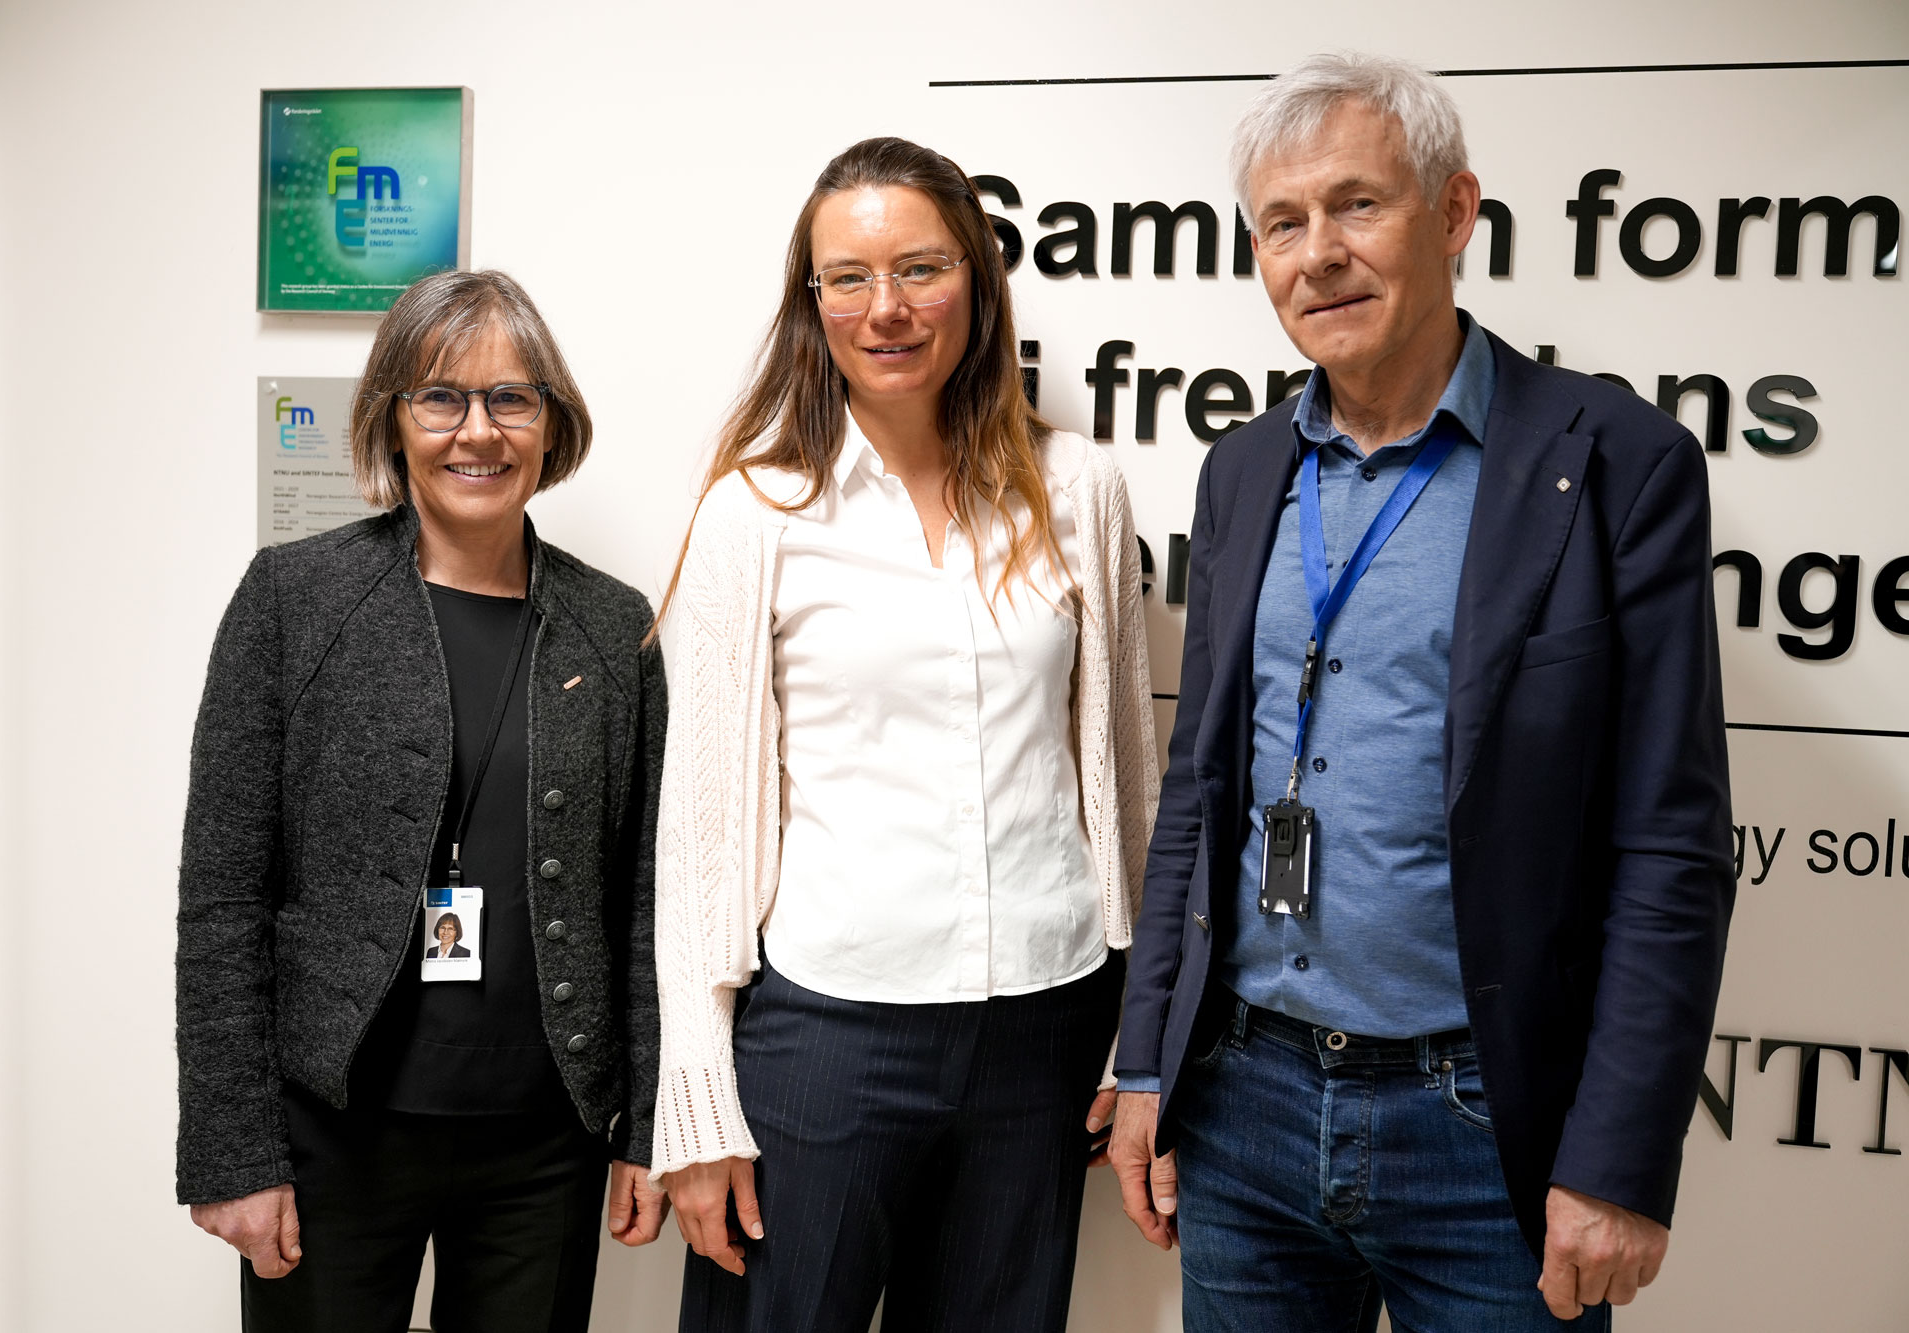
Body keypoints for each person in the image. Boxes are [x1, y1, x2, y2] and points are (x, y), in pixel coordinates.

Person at [1108, 53, 1734, 1331]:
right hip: (1242, 1107)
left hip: (1483, 1130)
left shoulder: (1615, 464)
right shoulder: (1240, 472)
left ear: (1452, 213)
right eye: (1281, 223)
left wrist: (1612, 1162)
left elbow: (1670, 844)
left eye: (1356, 205)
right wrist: (1143, 1060)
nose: (1316, 253)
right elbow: (1198, 792)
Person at [651, 136, 1158, 1333]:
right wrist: (696, 1095)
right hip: (825, 1034)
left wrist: (1131, 1032)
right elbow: (701, 833)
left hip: (1041, 1027)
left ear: (978, 283)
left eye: (921, 268)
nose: (886, 308)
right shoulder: (756, 510)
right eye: (848, 278)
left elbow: (1126, 784)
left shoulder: (1077, 489)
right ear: (810, 301)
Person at [176, 268, 668, 1332]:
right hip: (332, 1132)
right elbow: (222, 894)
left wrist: (645, 1129)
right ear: (391, 419)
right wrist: (231, 1147)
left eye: (511, 397)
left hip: (547, 1141)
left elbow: (644, 901)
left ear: (551, 425)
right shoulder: (293, 600)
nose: (476, 431)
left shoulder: (613, 627)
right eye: (440, 396)